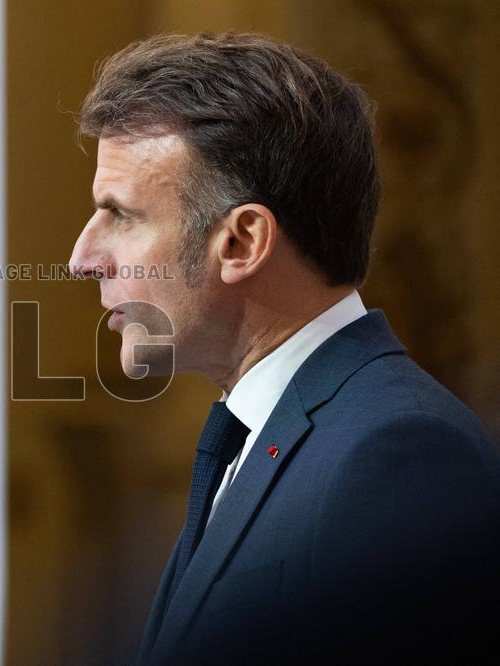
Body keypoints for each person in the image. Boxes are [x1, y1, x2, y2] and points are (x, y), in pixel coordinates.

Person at [69, 33, 500, 664]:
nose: (82, 260)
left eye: (122, 215)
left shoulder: (398, 455)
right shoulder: (265, 433)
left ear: (242, 243)